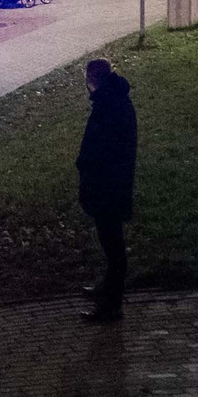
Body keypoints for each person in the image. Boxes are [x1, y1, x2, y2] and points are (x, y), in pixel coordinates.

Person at [76, 57, 137, 324]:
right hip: (112, 184)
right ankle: (108, 291)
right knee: (111, 243)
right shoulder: (115, 101)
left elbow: (102, 148)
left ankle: (111, 305)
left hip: (108, 187)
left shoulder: (108, 106)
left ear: (92, 80)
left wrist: (88, 168)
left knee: (113, 246)